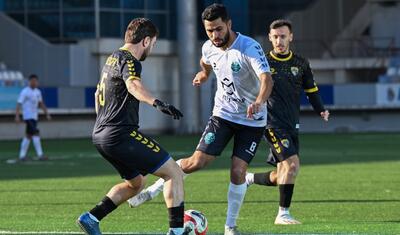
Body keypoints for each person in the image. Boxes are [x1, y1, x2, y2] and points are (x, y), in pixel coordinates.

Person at [127, 4, 273, 235]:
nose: (214, 35)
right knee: (196, 162)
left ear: (229, 24)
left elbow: (266, 79)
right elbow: (206, 63)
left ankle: (230, 226)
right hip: (223, 115)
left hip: (252, 120)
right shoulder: (208, 48)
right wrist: (204, 74)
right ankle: (153, 190)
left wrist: (259, 101)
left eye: (218, 29)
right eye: (209, 31)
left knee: (238, 172)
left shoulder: (249, 48)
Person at [76, 18, 190, 235]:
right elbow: (133, 84)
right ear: (145, 40)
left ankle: (91, 218)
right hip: (120, 135)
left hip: (101, 134)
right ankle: (176, 232)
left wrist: (103, 124)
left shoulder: (111, 59)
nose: (152, 48)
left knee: (136, 183)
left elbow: (96, 95)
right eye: (154, 44)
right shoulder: (129, 60)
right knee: (173, 172)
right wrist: (157, 102)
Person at [245, 19, 330, 225]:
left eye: (283, 36)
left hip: (293, 124)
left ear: (290, 37)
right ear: (270, 38)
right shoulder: (263, 62)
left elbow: (311, 90)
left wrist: (321, 110)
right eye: (275, 37)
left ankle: (250, 179)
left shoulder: (300, 63)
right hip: (272, 123)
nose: (279, 41)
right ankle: (282, 214)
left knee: (282, 174)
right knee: (292, 166)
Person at [15, 74, 51, 161]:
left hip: (34, 117)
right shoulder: (25, 92)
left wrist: (47, 113)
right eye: (33, 81)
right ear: (29, 81)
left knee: (28, 136)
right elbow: (19, 104)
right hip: (28, 116)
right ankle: (40, 155)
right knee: (36, 133)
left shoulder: (38, 92)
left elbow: (41, 103)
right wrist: (17, 116)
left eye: (36, 81)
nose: (34, 83)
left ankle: (22, 156)